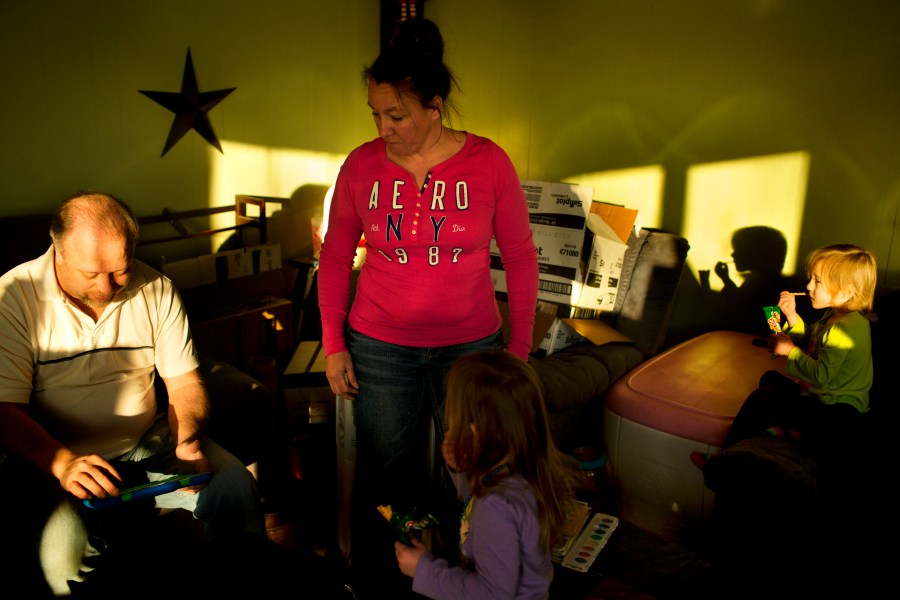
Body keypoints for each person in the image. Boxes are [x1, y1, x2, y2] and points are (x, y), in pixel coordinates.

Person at [316, 16, 538, 598]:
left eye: (397, 115)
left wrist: (516, 351)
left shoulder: (489, 162)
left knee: (470, 474)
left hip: (470, 349)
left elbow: (519, 255)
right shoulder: (361, 166)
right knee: (387, 478)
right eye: (375, 115)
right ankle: (383, 585)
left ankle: (463, 582)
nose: (383, 128)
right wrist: (334, 343)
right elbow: (336, 257)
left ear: (435, 106)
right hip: (381, 346)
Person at [0, 191, 267, 595]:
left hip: (148, 441)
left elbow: (183, 383)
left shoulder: (157, 289)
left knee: (235, 487)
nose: (107, 288)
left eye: (120, 271)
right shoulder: (13, 297)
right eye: (91, 274)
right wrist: (61, 462)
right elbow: (5, 409)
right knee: (62, 560)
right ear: (58, 251)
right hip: (56, 457)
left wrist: (188, 440)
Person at [394, 351, 578, 600]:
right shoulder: (522, 469)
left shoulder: (496, 504)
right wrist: (460, 469)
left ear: (473, 429)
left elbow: (492, 594)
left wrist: (423, 570)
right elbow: (477, 503)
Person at [695, 243, 876, 483]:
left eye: (818, 282)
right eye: (811, 279)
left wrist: (790, 351)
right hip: (822, 400)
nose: (809, 286)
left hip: (838, 415)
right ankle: (791, 432)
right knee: (770, 379)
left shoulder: (846, 329)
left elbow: (821, 374)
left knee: (761, 399)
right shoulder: (835, 317)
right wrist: (791, 316)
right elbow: (812, 340)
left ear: (846, 291)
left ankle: (724, 461)